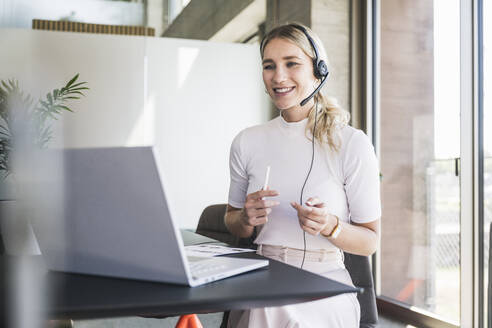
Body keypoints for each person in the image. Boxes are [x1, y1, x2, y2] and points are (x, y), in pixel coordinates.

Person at [224, 23, 381, 328]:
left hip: (325, 285)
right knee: (265, 310)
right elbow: (231, 219)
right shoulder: (247, 141)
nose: (278, 77)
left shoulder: (351, 143)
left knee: (269, 313)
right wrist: (245, 219)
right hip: (263, 276)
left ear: (318, 70)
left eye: (291, 63)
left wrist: (331, 226)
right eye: (269, 66)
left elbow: (369, 241)